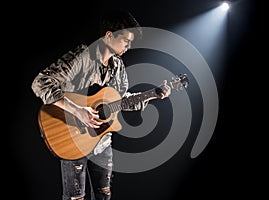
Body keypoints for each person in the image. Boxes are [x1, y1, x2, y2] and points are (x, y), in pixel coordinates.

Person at [31, 9, 171, 200]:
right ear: (109, 35)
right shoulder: (82, 57)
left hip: (102, 143)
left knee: (104, 196)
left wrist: (154, 94)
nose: (129, 47)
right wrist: (78, 110)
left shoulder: (118, 66)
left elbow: (121, 101)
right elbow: (41, 82)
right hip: (72, 138)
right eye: (126, 41)